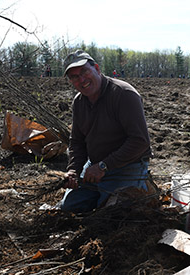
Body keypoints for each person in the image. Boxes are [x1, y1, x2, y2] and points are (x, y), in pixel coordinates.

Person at [60, 50, 152, 213]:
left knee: (112, 212)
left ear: (96, 68)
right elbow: (77, 142)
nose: (81, 80)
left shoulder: (123, 94)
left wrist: (103, 166)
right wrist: (74, 171)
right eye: (74, 77)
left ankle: (145, 185)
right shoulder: (79, 102)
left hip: (127, 164)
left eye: (84, 71)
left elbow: (140, 141)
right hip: (95, 164)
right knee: (70, 207)